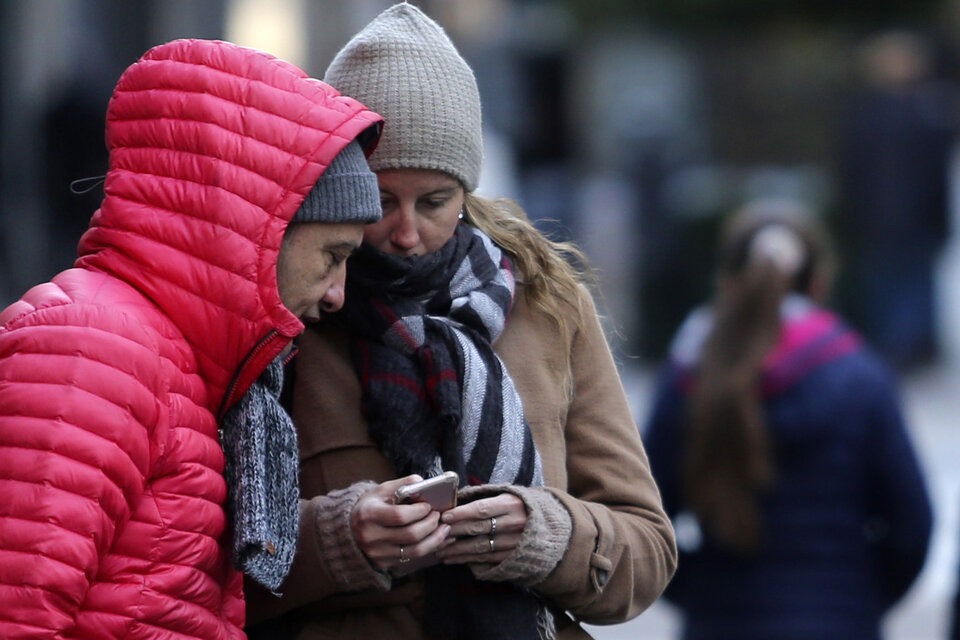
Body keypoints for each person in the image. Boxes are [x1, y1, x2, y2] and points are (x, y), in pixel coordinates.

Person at [244, 4, 677, 640]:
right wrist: (339, 539)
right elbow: (200, 567)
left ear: (467, 192)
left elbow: (647, 553)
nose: (408, 232)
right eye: (381, 201)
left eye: (436, 201)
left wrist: (547, 534)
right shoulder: (288, 313)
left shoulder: (548, 304)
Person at [0, 38, 384, 639]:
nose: (338, 293)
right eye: (332, 256)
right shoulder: (90, 352)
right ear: (258, 232)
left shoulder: (175, 364)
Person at [641, 199, 934, 640]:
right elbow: (912, 525)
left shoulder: (689, 377)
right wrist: (859, 599)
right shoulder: (861, 376)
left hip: (721, 623)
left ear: (726, 282)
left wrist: (701, 594)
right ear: (818, 282)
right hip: (840, 618)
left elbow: (646, 521)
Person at [836, 29, 960, 371]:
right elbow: (852, 171)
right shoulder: (877, 113)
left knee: (907, 283)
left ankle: (913, 347)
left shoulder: (927, 109)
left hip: (905, 219)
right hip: (889, 219)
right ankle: (906, 348)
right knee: (893, 284)